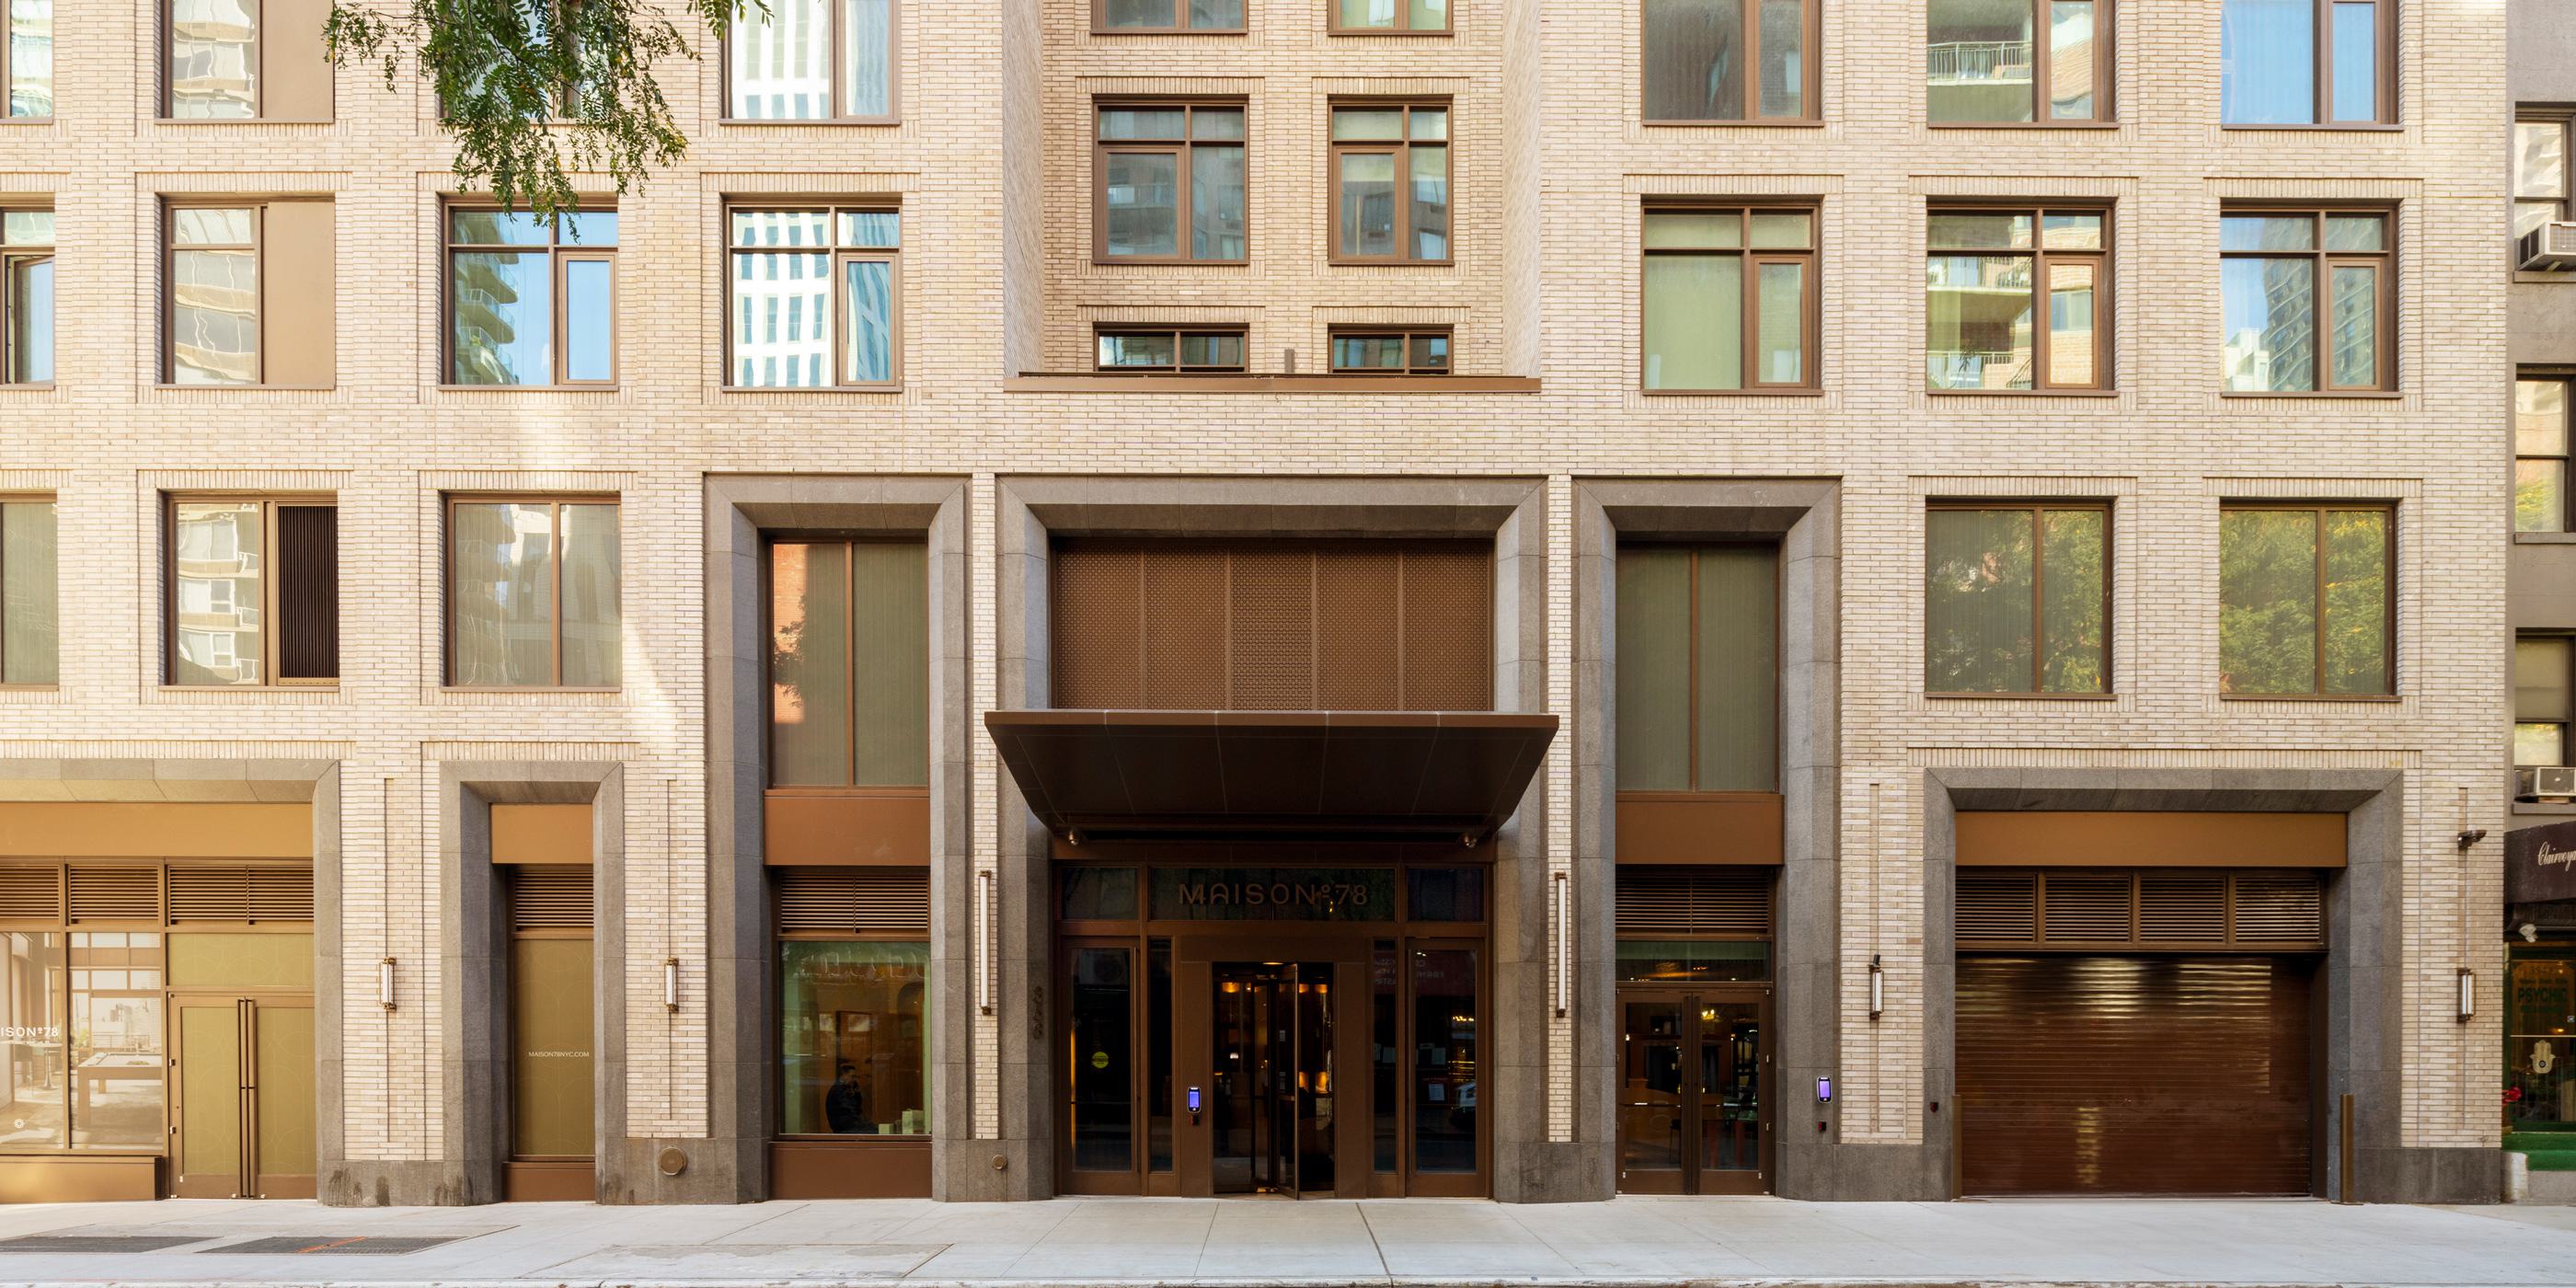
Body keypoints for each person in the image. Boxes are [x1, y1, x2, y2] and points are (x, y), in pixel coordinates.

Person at [825, 1063, 868, 1133]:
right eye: (852, 1076)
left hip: (847, 1126)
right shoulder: (838, 1090)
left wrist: (857, 1093)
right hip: (845, 1128)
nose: (854, 1080)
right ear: (844, 1075)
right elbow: (850, 1109)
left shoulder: (843, 1089)